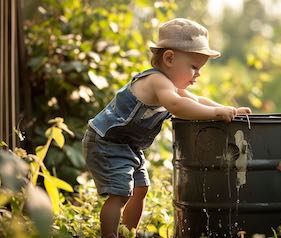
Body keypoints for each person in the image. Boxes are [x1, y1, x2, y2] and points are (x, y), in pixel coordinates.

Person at [82, 18, 252, 238]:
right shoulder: (156, 81)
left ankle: (128, 233)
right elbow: (176, 106)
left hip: (127, 145)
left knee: (141, 189)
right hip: (105, 141)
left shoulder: (170, 85)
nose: (198, 74)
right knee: (120, 193)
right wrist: (215, 114)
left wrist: (227, 109)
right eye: (193, 67)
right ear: (169, 58)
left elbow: (198, 100)